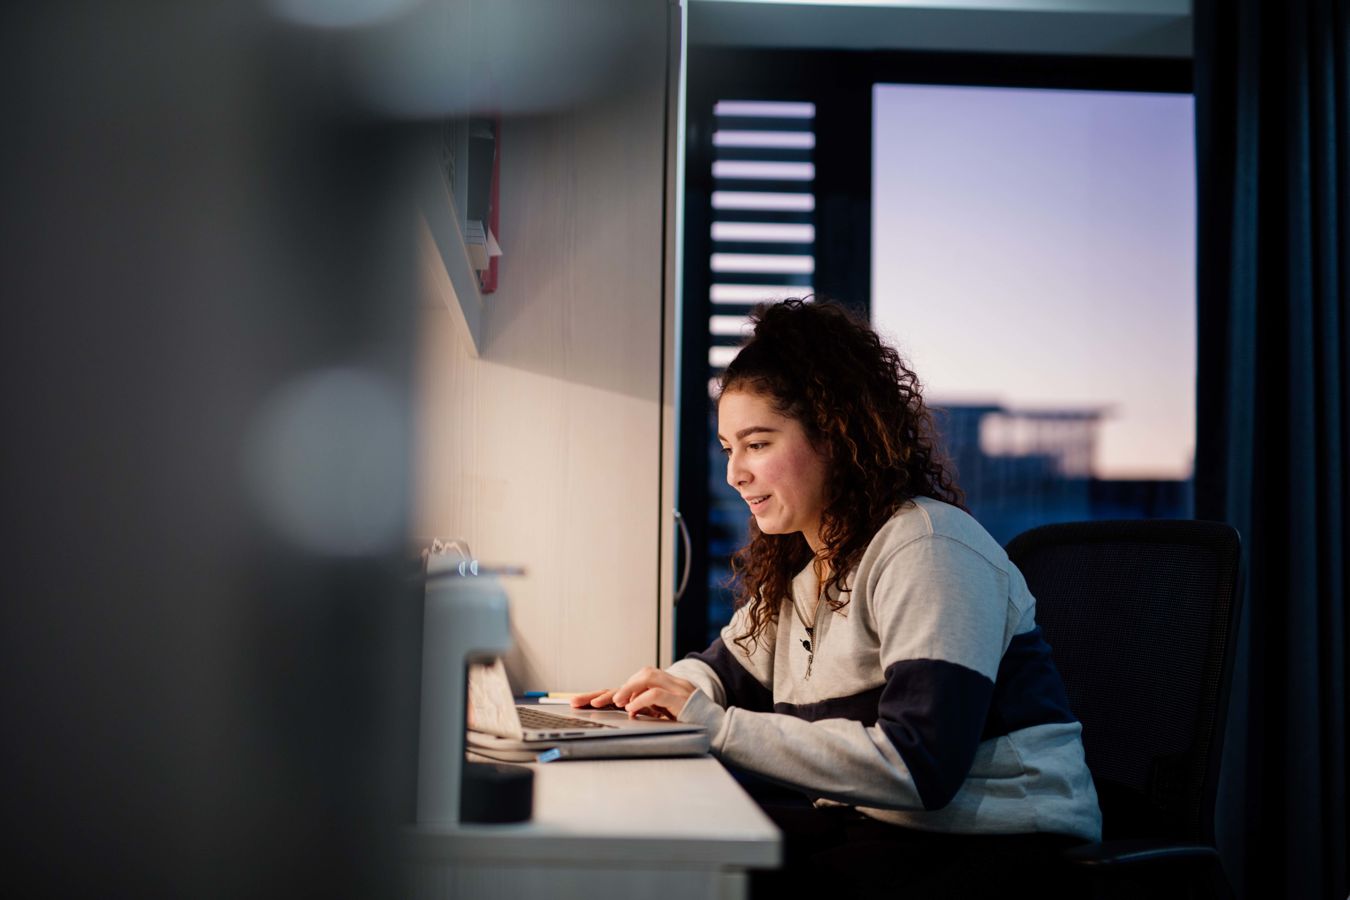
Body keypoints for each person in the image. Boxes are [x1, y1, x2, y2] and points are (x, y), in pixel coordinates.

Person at [572, 298, 1101, 898]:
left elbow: (918, 764)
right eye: (728, 449)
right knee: (670, 844)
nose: (734, 474)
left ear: (834, 433)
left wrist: (710, 725)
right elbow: (722, 674)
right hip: (884, 829)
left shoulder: (927, 548)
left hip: (1000, 845)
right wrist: (647, 698)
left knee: (709, 876)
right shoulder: (809, 572)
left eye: (758, 444)